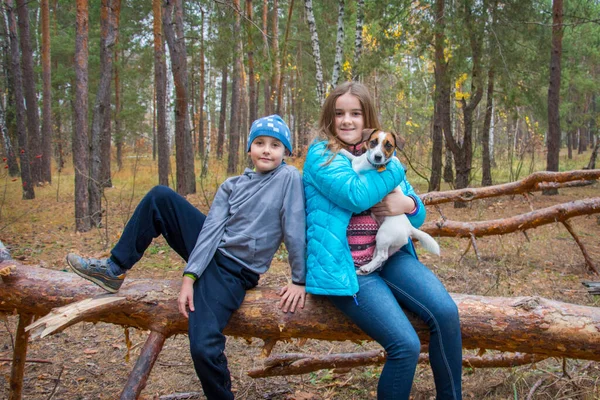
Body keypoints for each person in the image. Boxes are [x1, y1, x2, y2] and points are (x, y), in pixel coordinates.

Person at [66, 114, 307, 400]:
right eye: (260, 142)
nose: (267, 149)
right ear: (249, 148)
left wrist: (299, 279)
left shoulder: (288, 177)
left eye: (276, 145)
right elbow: (211, 231)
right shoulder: (232, 185)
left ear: (286, 152)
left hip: (234, 271)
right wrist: (190, 276)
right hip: (210, 253)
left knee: (203, 347)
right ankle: (114, 269)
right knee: (160, 197)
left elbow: (294, 228)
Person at [303, 82, 462, 399]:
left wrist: (407, 205)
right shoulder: (321, 155)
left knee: (446, 313)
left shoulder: (377, 149)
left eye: (355, 113)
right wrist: (395, 164)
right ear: (329, 119)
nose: (347, 120)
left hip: (392, 256)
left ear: (367, 120)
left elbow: (418, 215)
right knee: (405, 345)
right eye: (339, 114)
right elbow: (354, 194)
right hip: (349, 269)